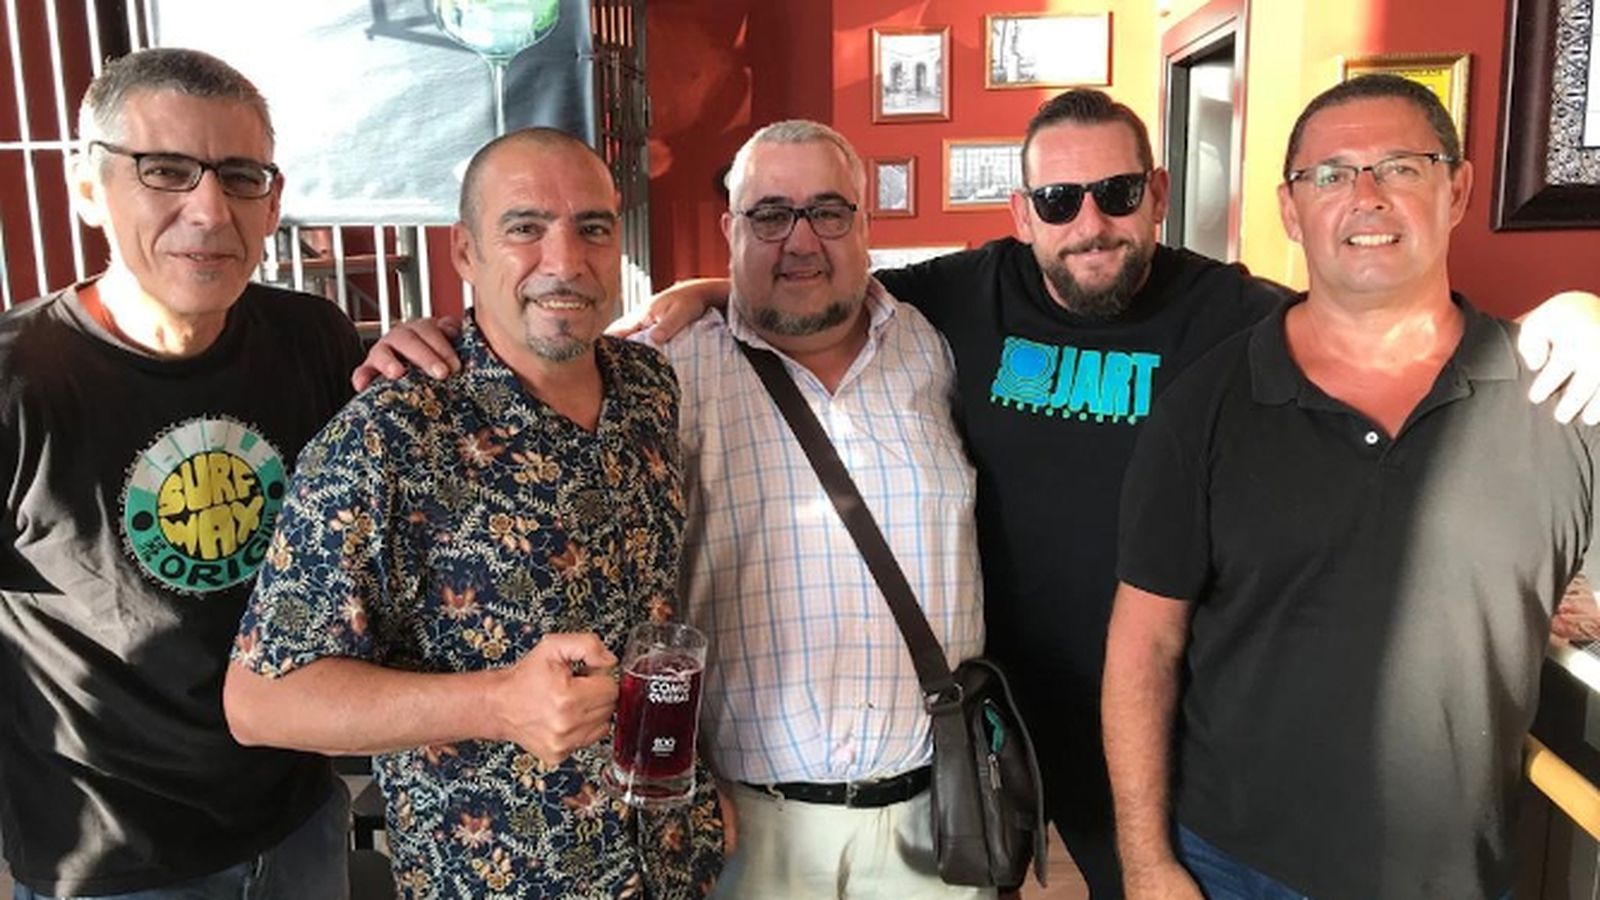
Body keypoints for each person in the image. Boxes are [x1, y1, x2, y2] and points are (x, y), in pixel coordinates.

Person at [353, 92, 1600, 897]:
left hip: (1012, 793)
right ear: (1023, 214)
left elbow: (1377, 326)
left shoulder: (1133, 323)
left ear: (1157, 195)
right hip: (752, 820)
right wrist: (508, 329)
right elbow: (672, 314)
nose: (1089, 221)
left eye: (1117, 194)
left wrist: (1562, 325)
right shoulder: (699, 363)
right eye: (1058, 200)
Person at [1103, 74, 1598, 900]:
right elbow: (1142, 645)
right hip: (1234, 867)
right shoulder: (1206, 404)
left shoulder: (1562, 395)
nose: (1365, 197)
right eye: (1329, 175)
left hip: (1461, 879)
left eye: (1401, 167)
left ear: (1459, 189)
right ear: (1291, 211)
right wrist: (1148, 864)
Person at [222, 128, 724, 899]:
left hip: (673, 865)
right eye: (524, 228)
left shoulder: (649, 387)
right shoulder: (391, 433)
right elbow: (261, 700)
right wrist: (497, 703)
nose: (565, 261)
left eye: (592, 227)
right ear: (464, 252)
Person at [0, 48, 361, 898]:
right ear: (88, 187)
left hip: (301, 822)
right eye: (165, 171)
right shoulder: (16, 383)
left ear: (273, 201)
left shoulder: (313, 338)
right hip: (110, 862)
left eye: (240, 176)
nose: (209, 209)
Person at [655, 120, 985, 898]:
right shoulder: (664, 374)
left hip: (935, 823)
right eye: (770, 215)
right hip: (749, 830)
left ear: (866, 225)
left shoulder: (940, 348)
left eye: (829, 212)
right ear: (730, 230)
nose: (801, 240)